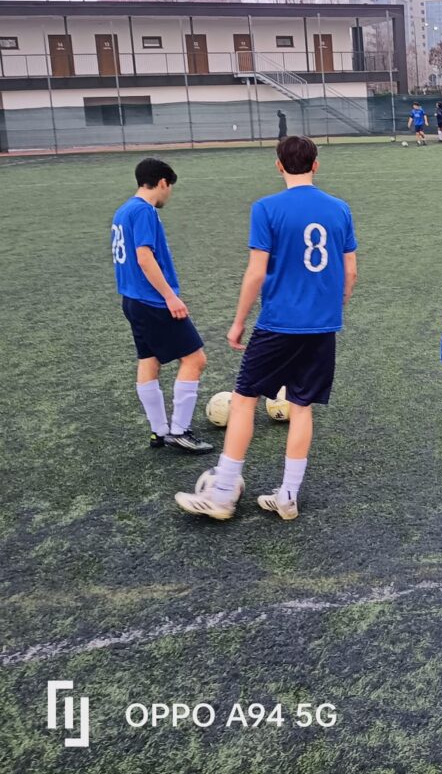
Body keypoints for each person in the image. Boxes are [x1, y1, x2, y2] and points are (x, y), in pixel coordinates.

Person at [175, 136, 357, 521]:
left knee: (244, 399)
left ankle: (223, 493)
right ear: (316, 164)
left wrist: (239, 321)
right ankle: (288, 496)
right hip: (322, 327)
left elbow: (256, 272)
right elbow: (351, 272)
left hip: (278, 323)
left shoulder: (266, 208)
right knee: (302, 407)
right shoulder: (340, 209)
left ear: (278, 165)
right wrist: (331, 306)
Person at [112, 158, 212, 453]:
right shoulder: (144, 210)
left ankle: (159, 431)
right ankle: (180, 431)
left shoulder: (123, 210)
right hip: (152, 301)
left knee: (149, 360)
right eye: (170, 188)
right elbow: (144, 258)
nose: (169, 194)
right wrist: (170, 296)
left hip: (132, 300)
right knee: (195, 359)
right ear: (162, 183)